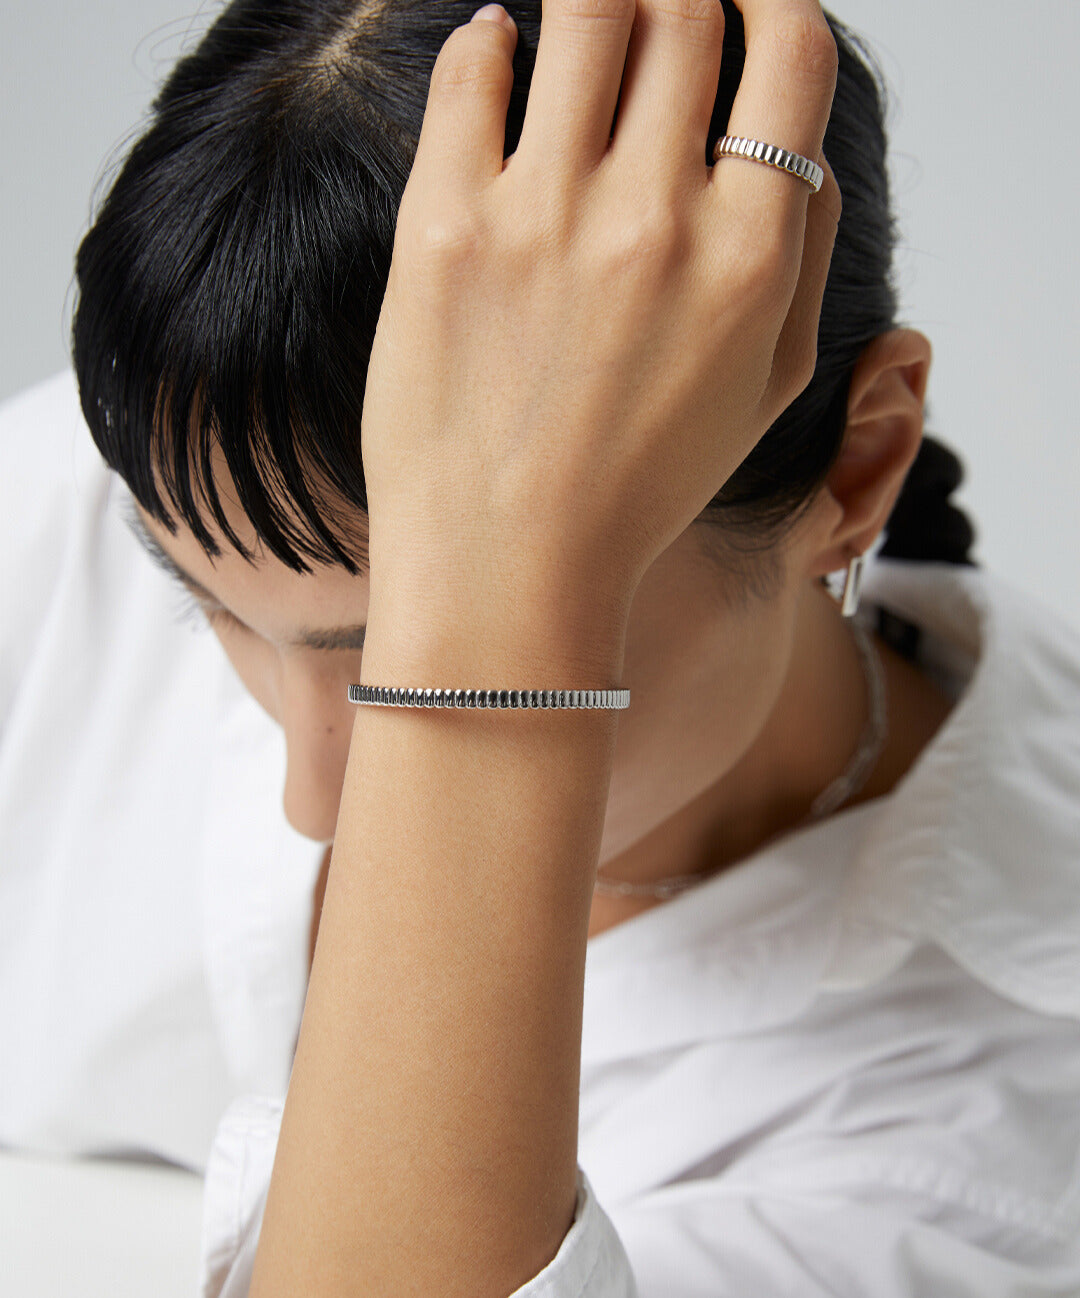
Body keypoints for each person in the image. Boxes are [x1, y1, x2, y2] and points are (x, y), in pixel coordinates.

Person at [2, 0, 1078, 1294]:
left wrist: (500, 613)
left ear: (858, 464)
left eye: (387, 642)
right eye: (209, 609)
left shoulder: (982, 1138)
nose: (312, 797)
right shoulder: (223, 475)